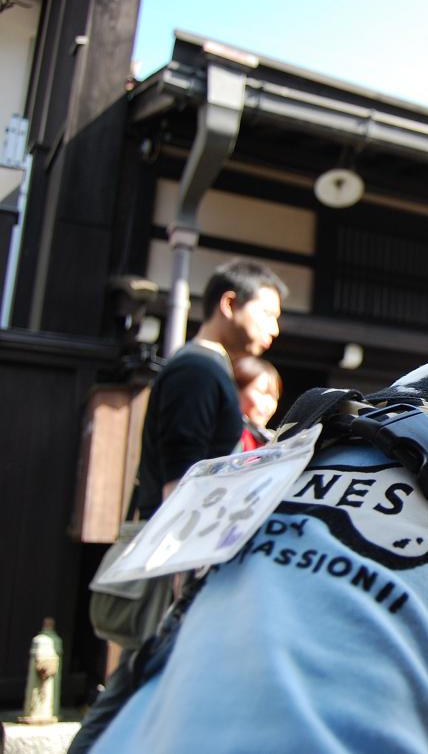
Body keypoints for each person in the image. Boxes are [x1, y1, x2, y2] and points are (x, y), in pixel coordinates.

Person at [69, 258, 286, 754]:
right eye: (269, 314)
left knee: (143, 679)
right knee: (138, 681)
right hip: (181, 558)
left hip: (184, 555)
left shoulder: (204, 368)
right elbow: (183, 483)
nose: (275, 330)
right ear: (230, 303)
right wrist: (184, 578)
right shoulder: (198, 369)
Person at [232, 356, 282, 450]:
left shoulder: (266, 440)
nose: (269, 405)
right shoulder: (230, 434)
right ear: (236, 390)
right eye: (262, 392)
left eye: (275, 397)